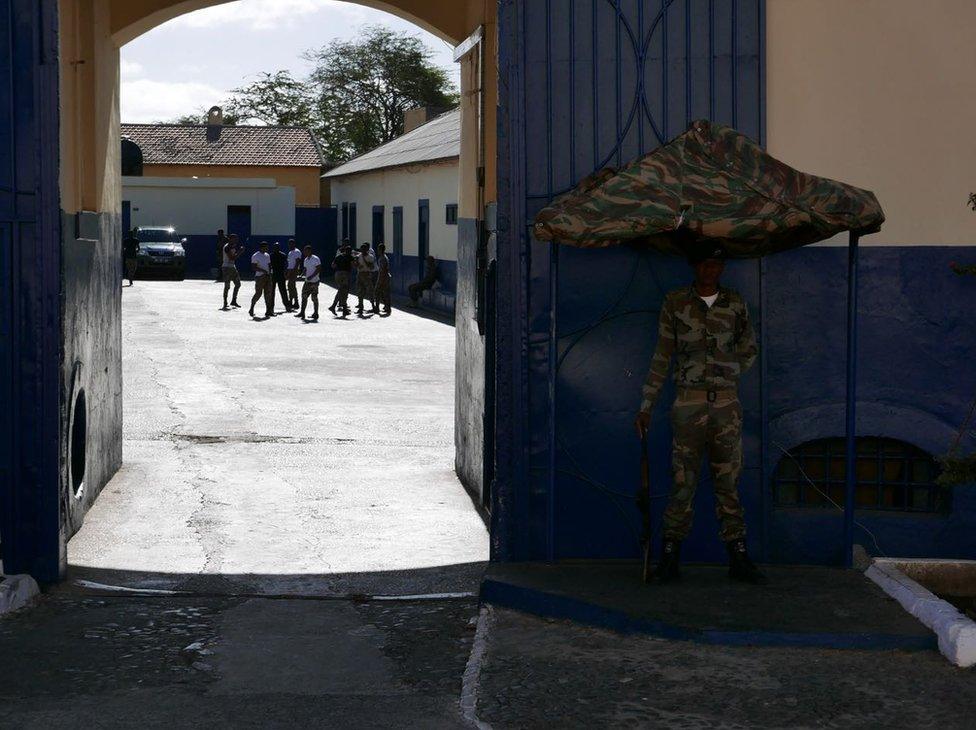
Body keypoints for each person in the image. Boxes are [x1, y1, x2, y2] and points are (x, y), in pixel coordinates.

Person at [634, 241, 766, 586]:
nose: (711, 270)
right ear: (695, 267)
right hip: (688, 404)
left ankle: (738, 557)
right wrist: (646, 406)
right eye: (705, 265)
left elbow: (749, 348)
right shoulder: (676, 303)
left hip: (726, 404)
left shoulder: (734, 303)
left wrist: (729, 370)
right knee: (683, 482)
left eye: (717, 265)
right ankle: (669, 558)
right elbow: (662, 356)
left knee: (728, 482)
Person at [249, 241, 273, 319]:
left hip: (267, 277)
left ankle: (268, 311)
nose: (267, 248)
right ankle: (252, 308)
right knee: (258, 293)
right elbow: (253, 267)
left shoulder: (267, 255)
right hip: (260, 277)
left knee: (268, 294)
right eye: (265, 247)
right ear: (262, 247)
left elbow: (269, 265)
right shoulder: (255, 256)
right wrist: (263, 271)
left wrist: (270, 273)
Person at [298, 245, 322, 321]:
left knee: (314, 298)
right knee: (304, 296)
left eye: (306, 251)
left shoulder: (315, 259)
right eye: (304, 251)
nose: (304, 252)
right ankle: (302, 312)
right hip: (307, 281)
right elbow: (305, 268)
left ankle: (316, 313)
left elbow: (319, 269)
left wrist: (311, 276)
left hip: (314, 281)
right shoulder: (306, 260)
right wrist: (302, 274)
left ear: (310, 251)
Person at [329, 242, 353, 316]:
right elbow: (354, 265)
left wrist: (339, 267)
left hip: (337, 274)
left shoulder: (339, 256)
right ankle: (334, 306)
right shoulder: (350, 257)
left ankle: (343, 309)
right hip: (345, 274)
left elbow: (333, 265)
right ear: (349, 251)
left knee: (341, 290)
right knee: (344, 291)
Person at [354, 242, 376, 315]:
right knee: (360, 291)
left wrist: (366, 263)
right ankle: (361, 307)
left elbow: (372, 267)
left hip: (367, 274)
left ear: (367, 249)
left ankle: (373, 306)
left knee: (370, 290)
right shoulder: (358, 256)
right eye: (361, 249)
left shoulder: (370, 257)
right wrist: (357, 264)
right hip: (360, 274)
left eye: (364, 249)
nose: (362, 250)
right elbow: (355, 265)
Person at [221, 234, 243, 310]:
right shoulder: (227, 247)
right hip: (226, 267)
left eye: (236, 239)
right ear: (230, 239)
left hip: (232, 267)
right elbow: (232, 258)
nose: (235, 240)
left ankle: (233, 300)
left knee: (238, 284)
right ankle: (225, 302)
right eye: (234, 239)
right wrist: (240, 252)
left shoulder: (233, 246)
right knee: (227, 286)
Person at [270, 242, 290, 313]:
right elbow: (269, 265)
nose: (276, 248)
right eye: (275, 247)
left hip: (281, 275)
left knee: (283, 291)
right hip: (274, 275)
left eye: (277, 247)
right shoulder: (271, 256)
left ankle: (287, 306)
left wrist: (286, 273)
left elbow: (286, 264)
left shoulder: (283, 255)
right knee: (272, 292)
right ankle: (271, 307)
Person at [373, 243, 392, 315]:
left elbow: (383, 269)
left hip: (383, 277)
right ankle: (387, 307)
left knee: (377, 292)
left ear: (380, 250)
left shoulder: (382, 258)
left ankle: (377, 308)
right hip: (385, 276)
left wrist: (380, 280)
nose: (377, 250)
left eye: (378, 249)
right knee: (385, 293)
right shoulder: (384, 257)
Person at [286, 239, 302, 310]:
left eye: (291, 244)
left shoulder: (297, 251)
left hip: (294, 271)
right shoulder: (290, 252)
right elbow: (289, 263)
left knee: (291, 286)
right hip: (290, 270)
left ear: (294, 244)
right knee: (290, 286)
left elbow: (297, 262)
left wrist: (294, 271)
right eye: (289, 244)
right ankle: (293, 301)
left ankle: (295, 301)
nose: (290, 245)